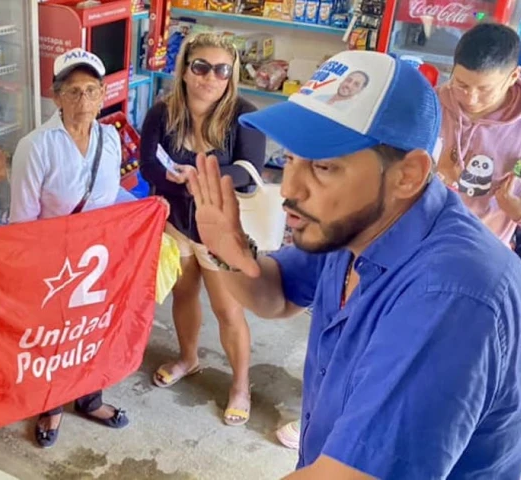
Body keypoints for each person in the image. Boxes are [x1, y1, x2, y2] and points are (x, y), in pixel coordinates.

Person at [188, 49, 521, 478]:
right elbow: (276, 297)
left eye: (323, 166)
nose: (290, 189)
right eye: (290, 159)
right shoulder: (357, 223)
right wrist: (229, 252)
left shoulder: (451, 294)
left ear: (408, 175)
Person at [10, 48, 143, 448]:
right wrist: (33, 271)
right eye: (72, 91)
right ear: (56, 97)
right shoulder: (36, 146)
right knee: (54, 337)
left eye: (91, 90)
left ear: (102, 95)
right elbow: (22, 219)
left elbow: (111, 197)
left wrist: (149, 214)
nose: (83, 99)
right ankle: (51, 405)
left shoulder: (110, 138)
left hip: (98, 259)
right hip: (53, 261)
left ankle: (89, 399)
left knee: (91, 332)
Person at [139, 32, 265, 426]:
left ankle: (240, 385)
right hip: (176, 223)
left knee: (228, 308)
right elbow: (147, 164)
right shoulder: (162, 112)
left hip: (221, 231)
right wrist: (174, 179)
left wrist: (199, 176)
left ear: (232, 75)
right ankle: (188, 358)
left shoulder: (245, 115)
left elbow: (250, 172)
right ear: (185, 69)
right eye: (201, 67)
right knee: (184, 294)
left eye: (221, 70)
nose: (211, 77)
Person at [436, 23, 521, 247]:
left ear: (513, 76)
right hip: (423, 242)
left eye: (485, 90)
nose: (471, 98)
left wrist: (516, 212)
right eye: (461, 84)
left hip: (484, 249)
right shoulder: (431, 106)